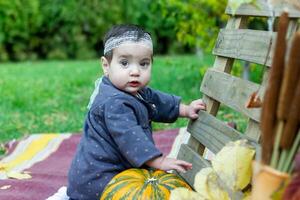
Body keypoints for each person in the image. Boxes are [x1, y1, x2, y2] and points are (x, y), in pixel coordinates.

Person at [67, 24, 206, 200]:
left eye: (144, 64)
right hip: (99, 180)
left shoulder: (135, 91)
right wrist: (158, 161)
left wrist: (185, 109)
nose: (135, 71)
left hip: (120, 170)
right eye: (124, 63)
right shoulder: (114, 102)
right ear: (106, 65)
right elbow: (129, 136)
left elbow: (158, 102)